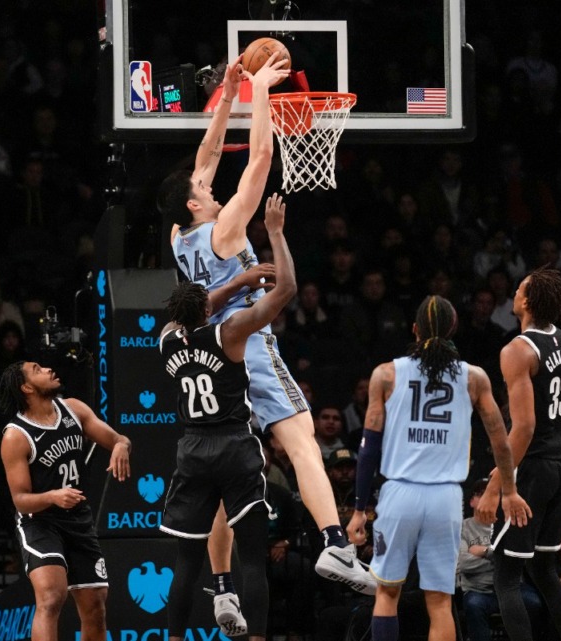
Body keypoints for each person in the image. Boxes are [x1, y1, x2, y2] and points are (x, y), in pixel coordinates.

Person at [158, 50, 374, 609]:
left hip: (213, 354)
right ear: (194, 203)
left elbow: (205, 158)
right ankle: (333, 544)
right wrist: (259, 93)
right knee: (302, 440)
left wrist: (227, 95)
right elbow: (257, 159)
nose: (210, 185)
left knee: (229, 479)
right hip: (248, 342)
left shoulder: (180, 238)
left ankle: (223, 588)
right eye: (203, 189)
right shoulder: (226, 227)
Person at [346, 294, 530, 641]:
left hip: (399, 492)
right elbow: (501, 442)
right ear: (454, 329)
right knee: (441, 602)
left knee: (387, 593)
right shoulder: (474, 378)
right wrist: (509, 489)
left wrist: (358, 510)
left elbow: (368, 447)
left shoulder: (386, 374)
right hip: (446, 498)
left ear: (415, 330)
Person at [158, 192, 294, 640]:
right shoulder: (230, 333)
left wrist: (228, 287)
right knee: (252, 558)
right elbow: (286, 291)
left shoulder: (167, 339)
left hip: (193, 448)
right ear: (207, 308)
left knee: (184, 563)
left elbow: (194, 309)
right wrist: (271, 237)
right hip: (234, 444)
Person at [482, 266, 561, 641]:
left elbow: (524, 427)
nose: (514, 291)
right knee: (544, 570)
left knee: (506, 576)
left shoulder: (517, 349)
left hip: (532, 470)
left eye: (519, 288)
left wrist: (499, 483)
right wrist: (557, 444)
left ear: (526, 301)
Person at [0, 360, 132, 641]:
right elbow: (20, 500)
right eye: (37, 370)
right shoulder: (16, 436)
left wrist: (120, 446)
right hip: (40, 523)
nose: (48, 369)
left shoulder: (74, 408)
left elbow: (118, 438)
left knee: (95, 606)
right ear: (26, 388)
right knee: (50, 597)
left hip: (78, 519)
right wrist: (52, 496)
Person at [459, 479, 547, 641]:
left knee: (535, 602)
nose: (487, 497)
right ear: (471, 501)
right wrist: (499, 556)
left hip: (512, 587)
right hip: (479, 590)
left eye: (491, 493)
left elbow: (517, 559)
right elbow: (463, 564)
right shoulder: (462, 528)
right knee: (473, 606)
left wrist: (485, 552)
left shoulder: (509, 524)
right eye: (481, 493)